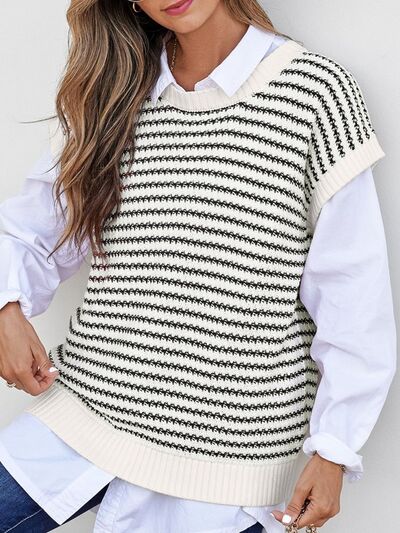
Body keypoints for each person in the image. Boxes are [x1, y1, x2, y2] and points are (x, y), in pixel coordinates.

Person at [0, 0, 396, 532]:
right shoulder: (116, 92)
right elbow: (32, 229)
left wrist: (335, 449)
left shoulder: (316, 93)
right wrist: (6, 307)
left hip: (225, 467)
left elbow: (353, 295)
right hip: (83, 416)